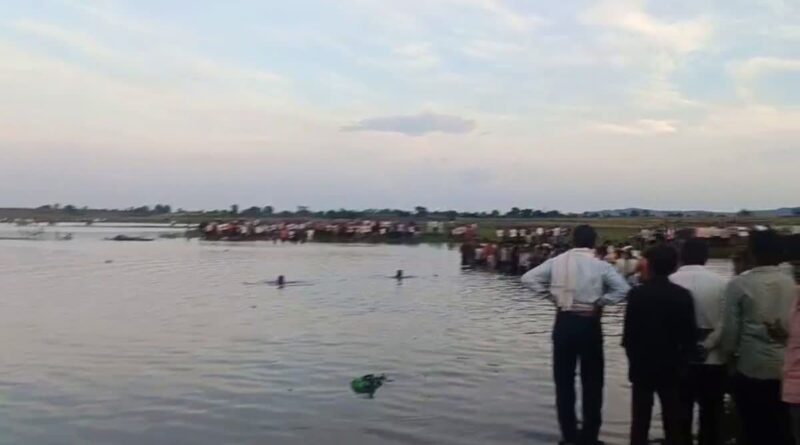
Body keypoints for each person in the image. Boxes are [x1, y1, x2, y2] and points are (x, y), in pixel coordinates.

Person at [522, 225, 630, 445]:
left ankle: (568, 435)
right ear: (594, 242)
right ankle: (590, 437)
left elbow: (528, 278)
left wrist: (552, 297)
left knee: (564, 381)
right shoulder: (601, 265)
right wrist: (601, 302)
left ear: (572, 241)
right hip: (589, 322)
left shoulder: (557, 261)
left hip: (564, 321)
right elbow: (623, 290)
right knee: (593, 382)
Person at [721, 230, 796, 445]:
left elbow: (730, 331)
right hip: (786, 368)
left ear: (752, 254)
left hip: (751, 366)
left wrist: (729, 360)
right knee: (783, 428)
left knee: (753, 426)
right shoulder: (791, 284)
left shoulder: (739, 284)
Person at [623, 245, 696, 445]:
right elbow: (689, 337)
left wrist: (633, 362)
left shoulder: (637, 294)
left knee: (640, 420)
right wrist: (683, 365)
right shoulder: (682, 295)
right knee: (672, 419)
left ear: (650, 266)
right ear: (675, 266)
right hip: (672, 365)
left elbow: (629, 336)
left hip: (642, 365)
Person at [669, 238, 728, 445]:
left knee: (679, 415)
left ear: (681, 256)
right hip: (713, 359)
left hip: (677, 358)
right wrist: (707, 345)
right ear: (706, 257)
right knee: (711, 416)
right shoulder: (721, 283)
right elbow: (726, 323)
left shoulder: (669, 281)